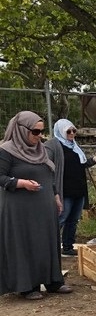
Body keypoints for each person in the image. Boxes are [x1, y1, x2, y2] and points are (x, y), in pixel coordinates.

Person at [0, 111, 72, 300]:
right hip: (20, 208)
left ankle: (53, 282)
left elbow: (49, 174)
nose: (39, 136)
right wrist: (21, 183)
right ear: (21, 130)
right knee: (26, 244)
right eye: (35, 132)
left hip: (44, 207)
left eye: (41, 132)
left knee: (47, 242)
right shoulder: (7, 150)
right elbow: (1, 177)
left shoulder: (40, 149)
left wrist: (56, 195)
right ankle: (28, 286)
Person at [44, 119, 96, 257]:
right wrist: (54, 190)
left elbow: (80, 164)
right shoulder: (53, 146)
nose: (72, 134)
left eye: (74, 131)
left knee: (73, 220)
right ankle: (49, 248)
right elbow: (47, 166)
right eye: (68, 131)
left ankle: (67, 247)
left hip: (79, 190)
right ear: (60, 131)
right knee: (60, 219)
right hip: (64, 191)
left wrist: (93, 160)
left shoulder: (74, 146)